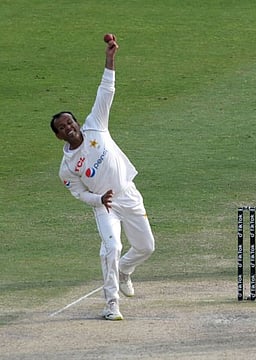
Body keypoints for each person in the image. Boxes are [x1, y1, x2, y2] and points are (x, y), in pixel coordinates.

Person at [50, 37, 155, 321]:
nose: (69, 128)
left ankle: (125, 271)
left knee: (146, 247)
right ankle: (111, 305)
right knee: (112, 247)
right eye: (62, 128)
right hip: (104, 206)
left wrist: (110, 58)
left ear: (76, 122)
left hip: (128, 193)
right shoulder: (67, 167)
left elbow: (106, 91)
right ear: (59, 136)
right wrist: (99, 199)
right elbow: (79, 194)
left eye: (70, 122)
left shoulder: (96, 124)